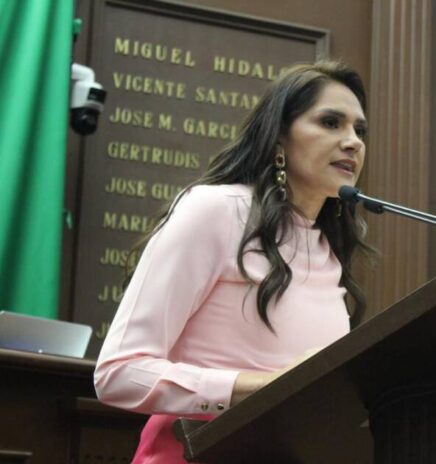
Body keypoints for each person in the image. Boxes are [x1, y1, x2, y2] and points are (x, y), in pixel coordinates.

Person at [94, 61, 373, 463]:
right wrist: (268, 386)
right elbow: (118, 374)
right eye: (331, 123)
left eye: (360, 131)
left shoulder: (327, 249)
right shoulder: (216, 211)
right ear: (279, 136)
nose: (353, 142)